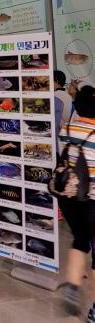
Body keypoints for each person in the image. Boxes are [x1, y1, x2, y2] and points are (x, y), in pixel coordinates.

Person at [58, 85, 95, 321]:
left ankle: (72, 285)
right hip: (92, 199)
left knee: (80, 240)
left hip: (71, 197)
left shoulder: (67, 129)